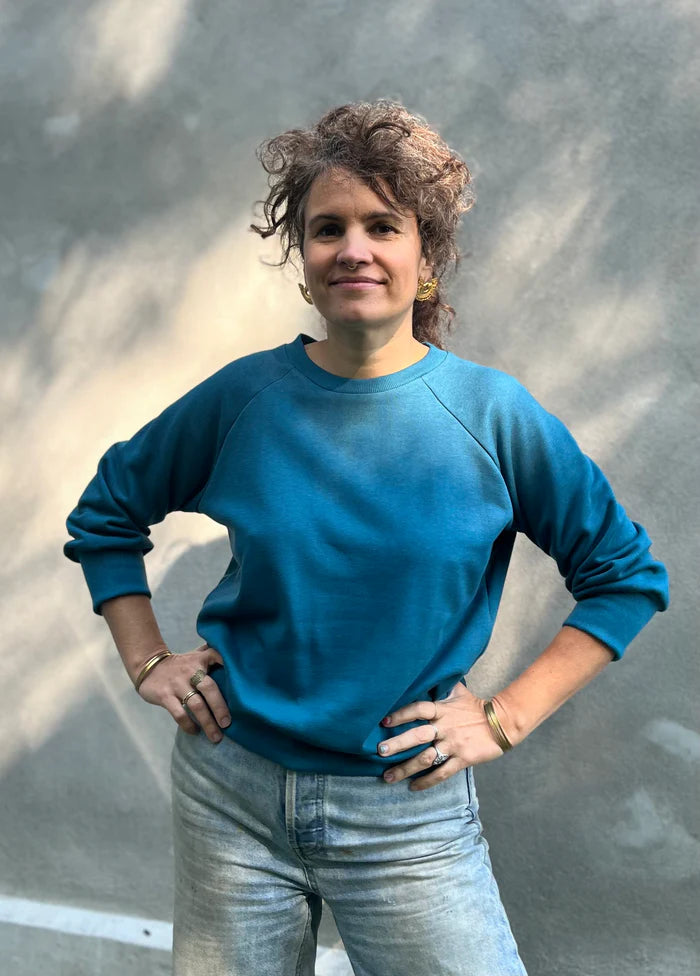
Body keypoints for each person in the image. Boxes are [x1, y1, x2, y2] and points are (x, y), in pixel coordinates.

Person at [64, 100, 669, 976]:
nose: (354, 248)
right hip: (230, 796)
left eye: (383, 226)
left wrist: (503, 718)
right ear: (304, 260)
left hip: (403, 812)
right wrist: (148, 660)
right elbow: (107, 514)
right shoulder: (244, 399)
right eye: (328, 229)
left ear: (426, 257)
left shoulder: (493, 418)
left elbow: (624, 577)